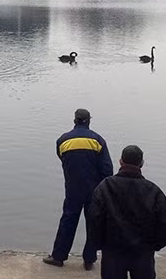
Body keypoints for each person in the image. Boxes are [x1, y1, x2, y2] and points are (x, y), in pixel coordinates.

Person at [88, 145, 166, 279]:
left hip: (113, 253)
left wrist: (99, 244)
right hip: (142, 254)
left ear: (120, 162)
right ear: (141, 163)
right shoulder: (153, 191)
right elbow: (165, 225)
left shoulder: (105, 187)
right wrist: (153, 246)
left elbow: (94, 220)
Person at [43, 108, 113, 269]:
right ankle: (89, 260)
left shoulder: (63, 140)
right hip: (94, 189)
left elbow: (63, 159)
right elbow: (107, 168)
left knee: (68, 220)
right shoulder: (98, 140)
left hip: (73, 188)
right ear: (89, 121)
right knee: (93, 222)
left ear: (74, 120)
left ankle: (58, 256)